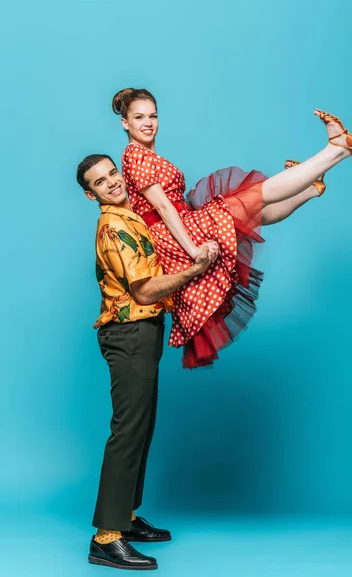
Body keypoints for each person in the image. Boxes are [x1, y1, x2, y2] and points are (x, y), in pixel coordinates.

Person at [112, 88, 352, 369]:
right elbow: (164, 208)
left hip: (180, 224)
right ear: (126, 123)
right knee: (255, 196)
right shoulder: (135, 156)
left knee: (254, 211)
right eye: (139, 117)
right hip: (175, 232)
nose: (148, 122)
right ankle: (337, 148)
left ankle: (313, 186)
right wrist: (193, 249)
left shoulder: (146, 156)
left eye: (153, 115)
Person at [77, 154, 215, 570]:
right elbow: (144, 291)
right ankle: (105, 537)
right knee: (128, 431)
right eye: (101, 182)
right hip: (128, 334)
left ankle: (127, 518)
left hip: (143, 332)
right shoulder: (115, 226)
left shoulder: (130, 212)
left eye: (113, 173)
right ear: (91, 194)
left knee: (142, 426)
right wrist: (196, 270)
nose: (112, 182)